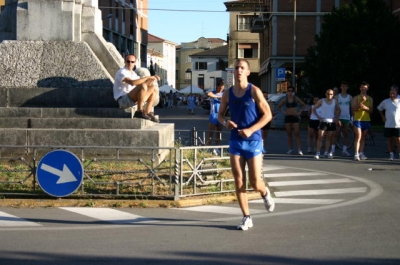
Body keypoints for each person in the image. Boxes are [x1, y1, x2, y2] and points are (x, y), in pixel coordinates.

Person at [217, 59, 275, 231]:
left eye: (242, 68)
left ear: (248, 72)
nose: (239, 70)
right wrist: (225, 122)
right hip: (235, 140)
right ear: (233, 72)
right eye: (236, 68)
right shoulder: (228, 93)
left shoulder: (254, 91)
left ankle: (265, 193)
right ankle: (246, 217)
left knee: (255, 182)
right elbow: (220, 115)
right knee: (238, 179)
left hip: (254, 140)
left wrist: (251, 130)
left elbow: (268, 115)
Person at [113, 54, 160, 122]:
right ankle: (139, 111)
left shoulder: (133, 74)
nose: (130, 63)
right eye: (128, 61)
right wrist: (147, 77)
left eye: (132, 62)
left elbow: (144, 87)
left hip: (132, 99)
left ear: (135, 63)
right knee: (143, 85)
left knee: (154, 88)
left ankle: (148, 112)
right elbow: (132, 83)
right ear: (124, 62)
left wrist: (152, 79)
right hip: (123, 100)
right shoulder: (122, 72)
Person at [277, 86, 307, 155]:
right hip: (288, 117)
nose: (290, 92)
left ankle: (299, 149)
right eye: (289, 91)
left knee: (297, 132)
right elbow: (278, 106)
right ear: (287, 92)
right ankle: (290, 148)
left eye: (291, 91)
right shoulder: (285, 99)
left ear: (293, 92)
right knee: (289, 133)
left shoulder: (296, 98)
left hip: (295, 116)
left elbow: (303, 105)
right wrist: (284, 112)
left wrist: (300, 112)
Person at [313, 89, 341, 159]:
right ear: (326, 94)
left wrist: (336, 118)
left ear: (333, 95)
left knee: (329, 137)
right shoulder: (322, 101)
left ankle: (326, 152)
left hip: (331, 121)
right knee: (320, 137)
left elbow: (339, 109)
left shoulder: (335, 101)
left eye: (331, 94)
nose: (329, 95)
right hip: (323, 121)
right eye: (328, 94)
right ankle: (318, 152)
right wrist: (318, 117)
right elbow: (314, 108)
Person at [377, 85, 400, 161]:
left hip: (398, 124)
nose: (392, 95)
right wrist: (383, 116)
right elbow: (379, 108)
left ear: (397, 93)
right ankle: (391, 154)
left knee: (398, 139)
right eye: (391, 93)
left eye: (393, 93)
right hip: (388, 124)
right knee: (390, 139)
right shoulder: (386, 101)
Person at [351, 81, 373, 161]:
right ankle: (356, 154)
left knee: (363, 137)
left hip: (366, 119)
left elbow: (371, 110)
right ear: (360, 88)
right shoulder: (356, 98)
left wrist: (365, 108)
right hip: (358, 119)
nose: (364, 89)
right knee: (358, 136)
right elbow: (354, 108)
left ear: (367, 89)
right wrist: (362, 101)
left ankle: (361, 152)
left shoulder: (370, 98)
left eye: (365, 88)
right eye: (362, 87)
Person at [333, 81, 353, 156]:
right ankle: (332, 150)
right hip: (339, 117)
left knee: (346, 134)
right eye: (342, 86)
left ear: (347, 88)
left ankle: (344, 150)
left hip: (346, 117)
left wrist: (352, 117)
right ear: (341, 87)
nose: (344, 88)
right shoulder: (337, 97)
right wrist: (336, 118)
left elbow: (351, 108)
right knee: (336, 134)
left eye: (345, 86)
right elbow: (335, 108)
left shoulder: (350, 97)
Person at [206, 80, 225, 155]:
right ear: (217, 86)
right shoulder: (213, 93)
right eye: (220, 88)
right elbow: (208, 94)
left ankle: (216, 148)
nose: (221, 89)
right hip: (213, 115)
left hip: (221, 115)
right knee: (210, 133)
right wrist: (218, 97)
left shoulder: (224, 94)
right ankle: (206, 149)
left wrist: (222, 97)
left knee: (218, 133)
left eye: (222, 88)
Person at [261, 91, 272, 155]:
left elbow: (270, 111)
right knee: (261, 134)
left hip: (267, 120)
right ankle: (261, 148)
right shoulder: (258, 102)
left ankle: (263, 147)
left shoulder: (268, 103)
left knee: (265, 134)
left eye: (266, 96)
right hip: (261, 119)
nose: (265, 97)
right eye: (264, 96)